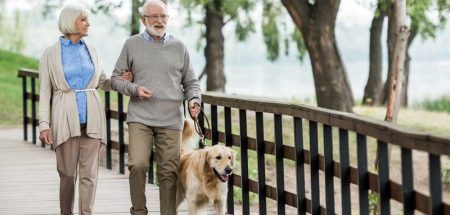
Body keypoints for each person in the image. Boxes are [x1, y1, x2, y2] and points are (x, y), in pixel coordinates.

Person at [38, 4, 132, 215]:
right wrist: (44, 124)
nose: (88, 24)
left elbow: (102, 81)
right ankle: (66, 212)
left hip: (92, 118)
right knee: (67, 174)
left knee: (89, 175)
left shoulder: (93, 51)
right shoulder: (50, 54)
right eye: (83, 20)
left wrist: (121, 80)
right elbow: (45, 92)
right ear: (71, 22)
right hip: (64, 119)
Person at [111, 0, 202, 214]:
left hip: (171, 119)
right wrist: (134, 88)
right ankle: (139, 211)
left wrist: (193, 100)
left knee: (168, 172)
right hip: (140, 117)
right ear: (143, 20)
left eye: (164, 17)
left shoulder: (179, 47)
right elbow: (116, 79)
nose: (159, 21)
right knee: (138, 164)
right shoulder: (131, 44)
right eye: (154, 17)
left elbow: (191, 82)